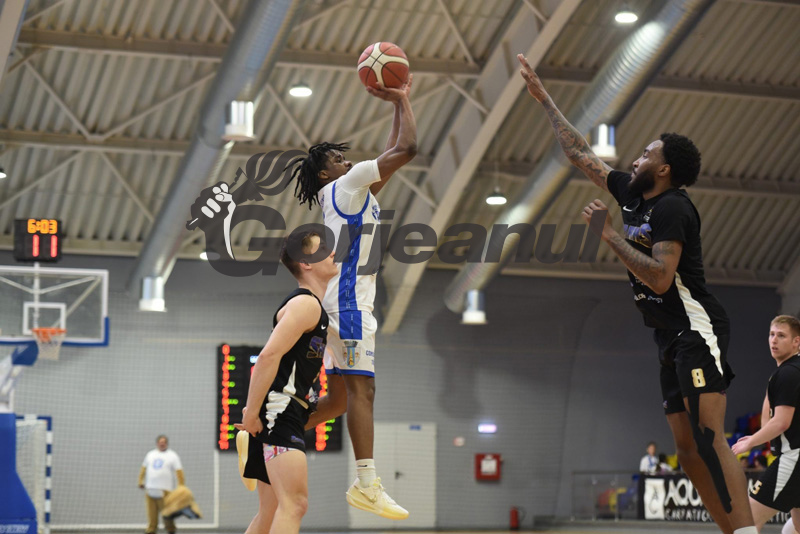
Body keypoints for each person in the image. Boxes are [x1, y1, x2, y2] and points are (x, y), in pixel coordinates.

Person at [517, 54, 756, 534]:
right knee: (686, 451)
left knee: (709, 440)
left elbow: (662, 279)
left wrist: (609, 236)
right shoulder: (631, 193)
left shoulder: (673, 209)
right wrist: (544, 100)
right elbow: (580, 153)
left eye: (646, 154)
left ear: (664, 169)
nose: (636, 158)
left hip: (696, 327)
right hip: (666, 335)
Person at [288, 76, 417, 520]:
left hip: (339, 303)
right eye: (337, 159)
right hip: (349, 305)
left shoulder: (344, 192)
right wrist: (402, 98)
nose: (347, 160)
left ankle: (268, 433)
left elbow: (391, 154)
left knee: (341, 400)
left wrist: (398, 104)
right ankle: (366, 484)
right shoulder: (347, 185)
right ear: (326, 173)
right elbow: (408, 149)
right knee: (364, 391)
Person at [235, 230, 337, 534]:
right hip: (279, 411)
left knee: (271, 511)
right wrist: (251, 413)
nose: (332, 252)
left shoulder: (313, 308)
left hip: (280, 411)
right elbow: (267, 357)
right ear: (305, 263)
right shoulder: (306, 305)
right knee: (295, 504)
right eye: (323, 248)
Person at [731, 315, 800, 532]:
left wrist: (750, 442)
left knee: (746, 521)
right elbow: (767, 423)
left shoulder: (788, 373)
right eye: (771, 334)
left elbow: (780, 423)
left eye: (781, 335)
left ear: (796, 342)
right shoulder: (786, 372)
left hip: (793, 457)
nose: (774, 340)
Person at [138, 435, 184, 534]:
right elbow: (143, 469)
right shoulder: (150, 454)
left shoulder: (172, 456)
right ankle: (151, 529)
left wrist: (181, 486)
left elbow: (179, 472)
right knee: (151, 513)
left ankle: (171, 529)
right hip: (150, 489)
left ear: (167, 443)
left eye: (164, 442)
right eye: (160, 442)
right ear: (157, 443)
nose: (162, 444)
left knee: (167, 513)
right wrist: (140, 481)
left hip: (165, 490)